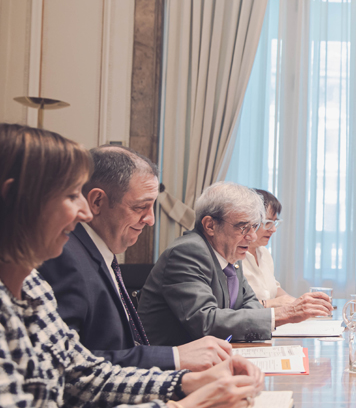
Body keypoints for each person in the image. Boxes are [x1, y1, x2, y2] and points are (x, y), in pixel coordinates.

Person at [0, 123, 263, 408]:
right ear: (15, 201)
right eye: (69, 195)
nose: (82, 212)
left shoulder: (32, 286)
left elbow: (83, 376)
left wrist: (186, 383)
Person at [39, 145, 231, 371]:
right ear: (97, 202)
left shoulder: (97, 250)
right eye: (141, 207)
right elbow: (72, 365)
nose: (150, 219)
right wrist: (176, 358)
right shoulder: (64, 257)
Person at [138, 182, 332, 346]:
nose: (252, 236)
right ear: (210, 225)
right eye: (243, 227)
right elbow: (207, 322)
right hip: (169, 370)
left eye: (254, 226)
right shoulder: (188, 252)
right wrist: (286, 313)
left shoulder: (230, 254)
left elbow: (251, 306)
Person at [242, 188, 296, 308]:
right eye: (268, 223)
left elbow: (274, 289)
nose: (273, 229)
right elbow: (232, 307)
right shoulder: (233, 256)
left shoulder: (263, 252)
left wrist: (298, 303)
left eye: (275, 223)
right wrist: (271, 304)